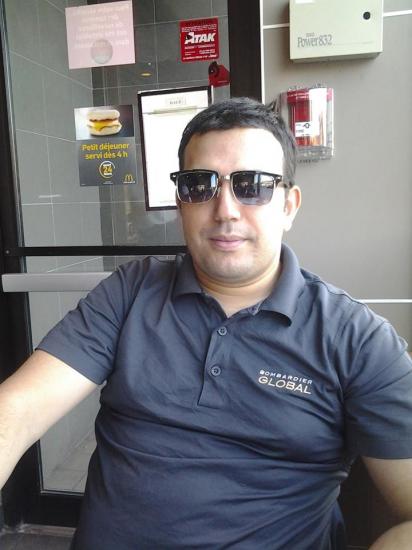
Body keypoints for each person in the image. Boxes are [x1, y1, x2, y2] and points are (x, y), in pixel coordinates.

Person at [1, 97, 412, 549]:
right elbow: (17, 412)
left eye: (252, 185)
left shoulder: (357, 339)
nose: (225, 210)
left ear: (289, 206)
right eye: (200, 184)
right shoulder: (129, 293)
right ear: (181, 203)